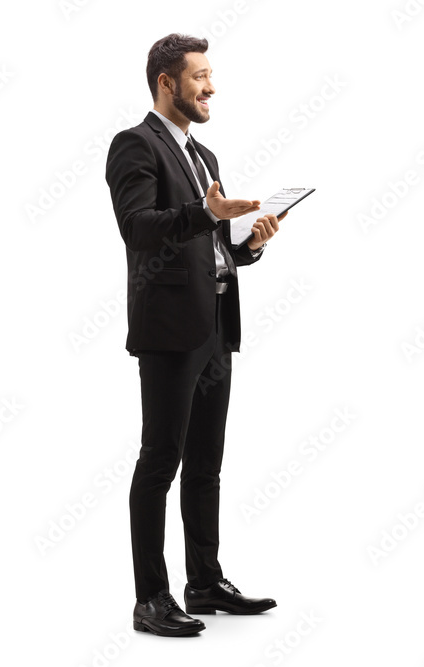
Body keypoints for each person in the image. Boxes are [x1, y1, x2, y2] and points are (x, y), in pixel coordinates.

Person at [105, 33, 284, 637]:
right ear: (167, 83)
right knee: (160, 460)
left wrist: (248, 243)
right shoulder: (134, 145)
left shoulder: (204, 157)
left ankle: (203, 582)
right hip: (167, 331)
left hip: (215, 325)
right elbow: (140, 229)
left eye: (211, 76)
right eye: (199, 76)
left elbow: (208, 245)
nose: (211, 87)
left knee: (206, 461)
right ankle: (150, 598)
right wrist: (208, 214)